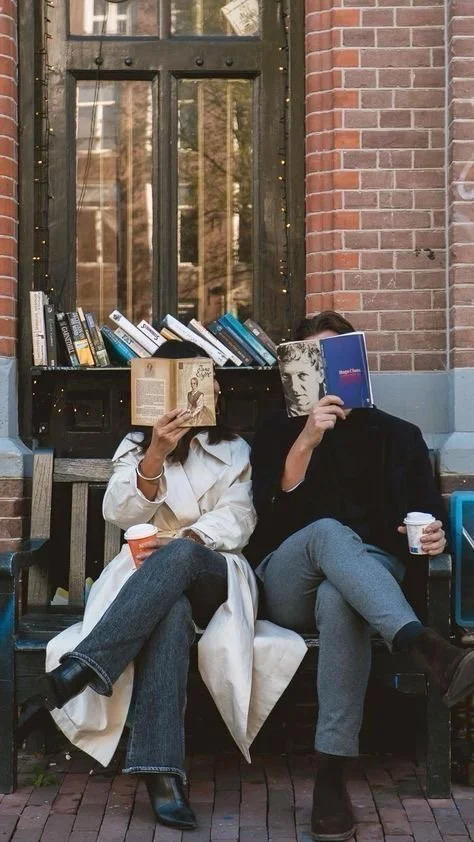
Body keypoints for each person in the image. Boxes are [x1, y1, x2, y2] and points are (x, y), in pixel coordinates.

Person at [25, 340, 306, 831]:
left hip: (216, 574)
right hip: (148, 581)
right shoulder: (137, 448)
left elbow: (241, 516)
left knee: (180, 557)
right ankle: (162, 776)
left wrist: (191, 539)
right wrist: (155, 454)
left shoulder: (233, 448)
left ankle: (84, 666)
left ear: (212, 389)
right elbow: (119, 513)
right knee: (170, 612)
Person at [246, 310, 474, 842]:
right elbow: (268, 516)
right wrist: (306, 439)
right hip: (285, 578)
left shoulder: (399, 436)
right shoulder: (279, 430)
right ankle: (425, 645)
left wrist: (433, 538)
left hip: (368, 580)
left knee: (340, 596)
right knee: (327, 534)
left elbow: (422, 520)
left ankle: (330, 778)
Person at [277, 335, 324, 416]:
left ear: (320, 374)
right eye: (286, 376)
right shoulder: (276, 415)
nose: (294, 387)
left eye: (302, 375)